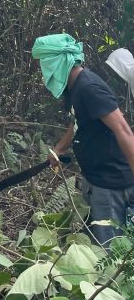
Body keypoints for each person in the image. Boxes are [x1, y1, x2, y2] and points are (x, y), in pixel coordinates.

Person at [32, 34, 134, 247]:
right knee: (95, 244)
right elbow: (77, 121)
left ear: (58, 60)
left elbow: (123, 130)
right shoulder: (74, 87)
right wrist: (58, 149)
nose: (42, 70)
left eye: (44, 62)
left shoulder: (89, 87)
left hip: (110, 182)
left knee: (110, 250)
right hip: (94, 179)